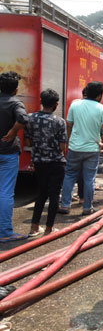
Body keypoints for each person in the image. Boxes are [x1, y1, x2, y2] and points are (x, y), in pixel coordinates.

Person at [58, 82, 103, 216]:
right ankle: (87, 207)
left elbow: (69, 125)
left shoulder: (75, 104)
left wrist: (67, 142)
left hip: (75, 148)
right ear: (99, 95)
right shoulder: (101, 108)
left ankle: (65, 205)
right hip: (92, 149)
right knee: (89, 179)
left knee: (70, 176)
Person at [25, 89, 67, 237]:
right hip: (56, 162)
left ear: (41, 102)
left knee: (41, 193)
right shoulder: (59, 122)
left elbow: (28, 141)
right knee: (54, 194)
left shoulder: (30, 118)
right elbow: (62, 146)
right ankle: (49, 228)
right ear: (56, 105)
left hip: (39, 162)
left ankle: (34, 227)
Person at [0, 71, 29, 242]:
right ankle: (4, 232)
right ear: (15, 89)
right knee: (5, 192)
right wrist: (12, 132)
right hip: (8, 153)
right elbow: (23, 119)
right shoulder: (14, 103)